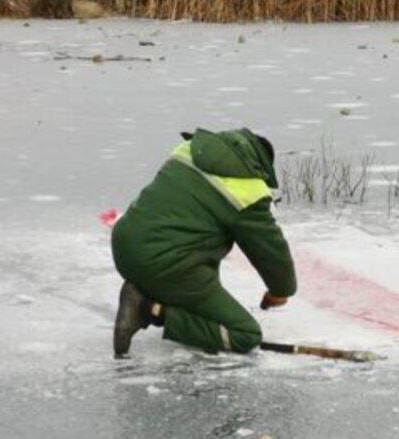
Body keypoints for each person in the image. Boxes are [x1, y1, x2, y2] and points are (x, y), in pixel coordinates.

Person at [110, 127, 296, 359]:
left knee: (200, 242)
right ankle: (149, 311)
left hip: (124, 245)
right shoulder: (247, 191)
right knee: (245, 334)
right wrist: (280, 291)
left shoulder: (187, 151)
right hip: (166, 265)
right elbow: (271, 250)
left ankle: (143, 292)